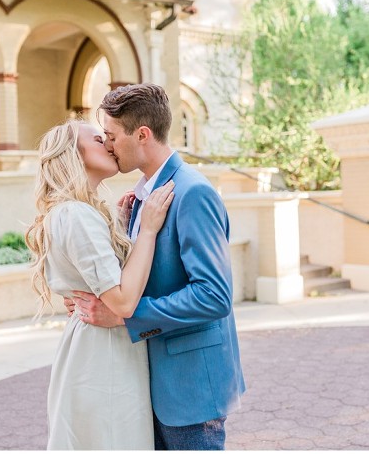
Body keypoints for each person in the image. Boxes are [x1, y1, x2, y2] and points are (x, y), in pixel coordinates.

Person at [65, 83, 246, 450]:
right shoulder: (142, 194)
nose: (108, 145)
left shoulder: (192, 191)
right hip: (153, 381)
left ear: (142, 134)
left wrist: (126, 317)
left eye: (112, 136)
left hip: (189, 385)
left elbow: (213, 297)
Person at [24, 119, 175, 450]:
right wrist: (147, 229)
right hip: (103, 353)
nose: (109, 144)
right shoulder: (76, 215)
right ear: (72, 154)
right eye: (97, 138)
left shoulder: (75, 212)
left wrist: (119, 227)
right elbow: (122, 302)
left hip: (99, 345)